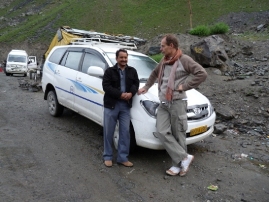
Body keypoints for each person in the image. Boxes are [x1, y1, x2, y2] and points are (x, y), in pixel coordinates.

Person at [138, 34, 207, 176]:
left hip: (177, 103)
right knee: (162, 131)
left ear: (172, 46)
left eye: (163, 46)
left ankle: (177, 166)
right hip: (163, 103)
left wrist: (185, 86)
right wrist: (146, 87)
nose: (161, 49)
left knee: (178, 134)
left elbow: (202, 73)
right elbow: (153, 74)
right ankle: (184, 157)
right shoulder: (164, 61)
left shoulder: (184, 60)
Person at [102, 48, 139, 167]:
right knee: (109, 132)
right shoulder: (109, 71)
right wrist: (120, 94)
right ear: (116, 58)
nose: (124, 59)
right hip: (111, 104)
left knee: (125, 132)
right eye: (121, 57)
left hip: (125, 106)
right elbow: (106, 86)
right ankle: (107, 156)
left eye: (125, 57)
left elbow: (136, 84)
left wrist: (131, 93)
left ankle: (122, 158)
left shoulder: (132, 71)